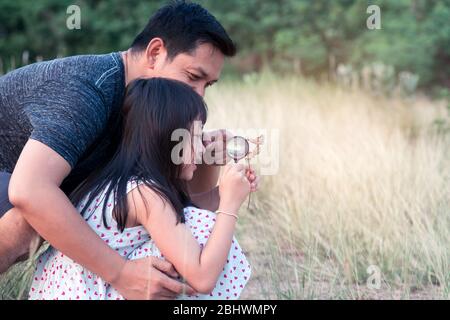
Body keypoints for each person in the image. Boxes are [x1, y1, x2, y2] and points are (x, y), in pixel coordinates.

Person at [0, 1, 259, 299]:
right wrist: (121, 273)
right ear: (155, 53)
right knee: (32, 213)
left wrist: (206, 158)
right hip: (12, 185)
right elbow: (29, 190)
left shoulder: (144, 111)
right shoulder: (86, 92)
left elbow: (180, 209)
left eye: (208, 85)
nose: (199, 94)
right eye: (192, 77)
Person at [28, 78, 253, 300]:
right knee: (203, 228)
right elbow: (203, 279)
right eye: (194, 137)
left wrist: (223, 193)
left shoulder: (118, 180)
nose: (201, 148)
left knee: (190, 223)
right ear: (165, 139)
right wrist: (230, 204)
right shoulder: (147, 195)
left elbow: (179, 213)